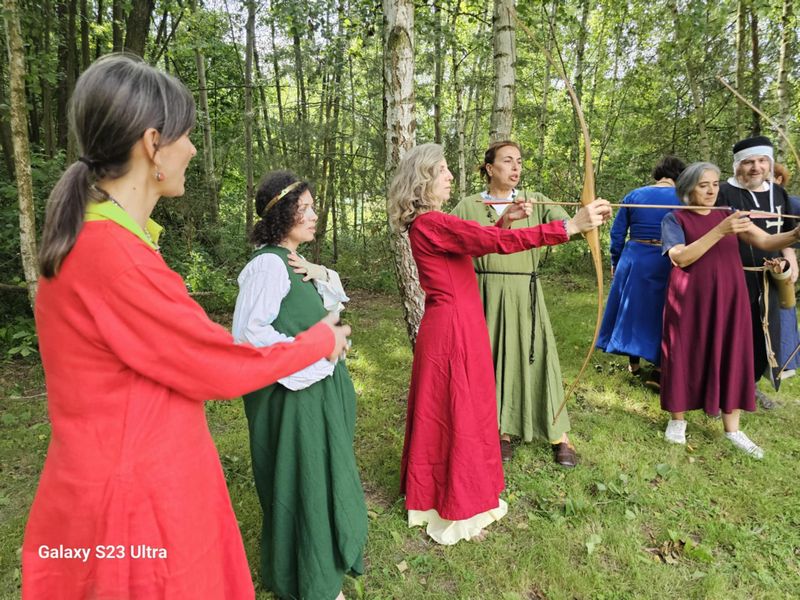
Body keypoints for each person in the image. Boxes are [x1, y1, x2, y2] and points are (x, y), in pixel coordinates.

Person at [22, 54, 350, 599]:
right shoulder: (112, 255)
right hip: (134, 502)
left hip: (131, 476)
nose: (193, 150)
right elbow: (216, 363)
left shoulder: (104, 242)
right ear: (153, 144)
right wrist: (319, 341)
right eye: (187, 136)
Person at [389, 143, 611, 544]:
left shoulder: (433, 223)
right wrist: (569, 227)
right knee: (458, 411)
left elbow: (482, 240)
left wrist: (504, 221)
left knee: (464, 409)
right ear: (424, 178)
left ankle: (445, 490)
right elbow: (494, 244)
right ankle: (456, 501)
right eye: (443, 170)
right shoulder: (433, 222)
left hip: (459, 324)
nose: (450, 176)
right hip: (453, 330)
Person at [232, 171, 367, 600]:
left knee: (324, 478)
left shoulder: (292, 262)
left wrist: (319, 272)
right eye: (304, 208)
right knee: (303, 482)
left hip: (318, 391)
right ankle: (312, 579)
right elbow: (249, 336)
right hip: (295, 398)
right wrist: (311, 361)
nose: (313, 215)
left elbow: (332, 307)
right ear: (281, 214)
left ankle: (326, 560)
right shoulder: (267, 266)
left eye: (312, 207)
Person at [452, 140, 580, 467]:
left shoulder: (534, 200)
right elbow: (454, 244)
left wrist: (589, 216)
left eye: (519, 161)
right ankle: (501, 430)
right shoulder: (467, 206)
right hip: (484, 292)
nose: (516, 167)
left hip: (525, 292)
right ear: (489, 168)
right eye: (507, 160)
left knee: (539, 358)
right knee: (489, 360)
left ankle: (559, 435)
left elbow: (572, 227)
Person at [660, 162, 800, 458]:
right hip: (689, 300)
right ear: (688, 189)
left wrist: (795, 235)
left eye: (714, 184)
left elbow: (765, 241)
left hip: (730, 298)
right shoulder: (674, 218)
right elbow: (681, 258)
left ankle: (733, 429)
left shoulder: (729, 216)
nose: (711, 191)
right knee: (684, 353)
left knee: (733, 354)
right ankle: (677, 421)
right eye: (703, 185)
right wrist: (720, 230)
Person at [716, 136, 794, 408]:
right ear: (737, 164)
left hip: (769, 278)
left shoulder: (779, 194)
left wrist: (791, 261)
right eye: (749, 162)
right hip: (732, 276)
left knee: (764, 335)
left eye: (762, 161)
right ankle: (721, 388)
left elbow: (786, 235)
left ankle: (750, 385)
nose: (756, 168)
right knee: (731, 334)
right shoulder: (722, 192)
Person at [596, 156, 686, 389]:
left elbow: (617, 234)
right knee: (662, 311)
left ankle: (634, 364)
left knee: (633, 308)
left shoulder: (634, 195)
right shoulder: (684, 199)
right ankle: (659, 369)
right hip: (667, 259)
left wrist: (616, 260)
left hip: (635, 257)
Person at [772, 162, 800, 378]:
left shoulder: (788, 203)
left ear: (779, 180)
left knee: (781, 315)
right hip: (749, 265)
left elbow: (788, 236)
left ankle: (782, 364)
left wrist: (790, 259)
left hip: (779, 267)